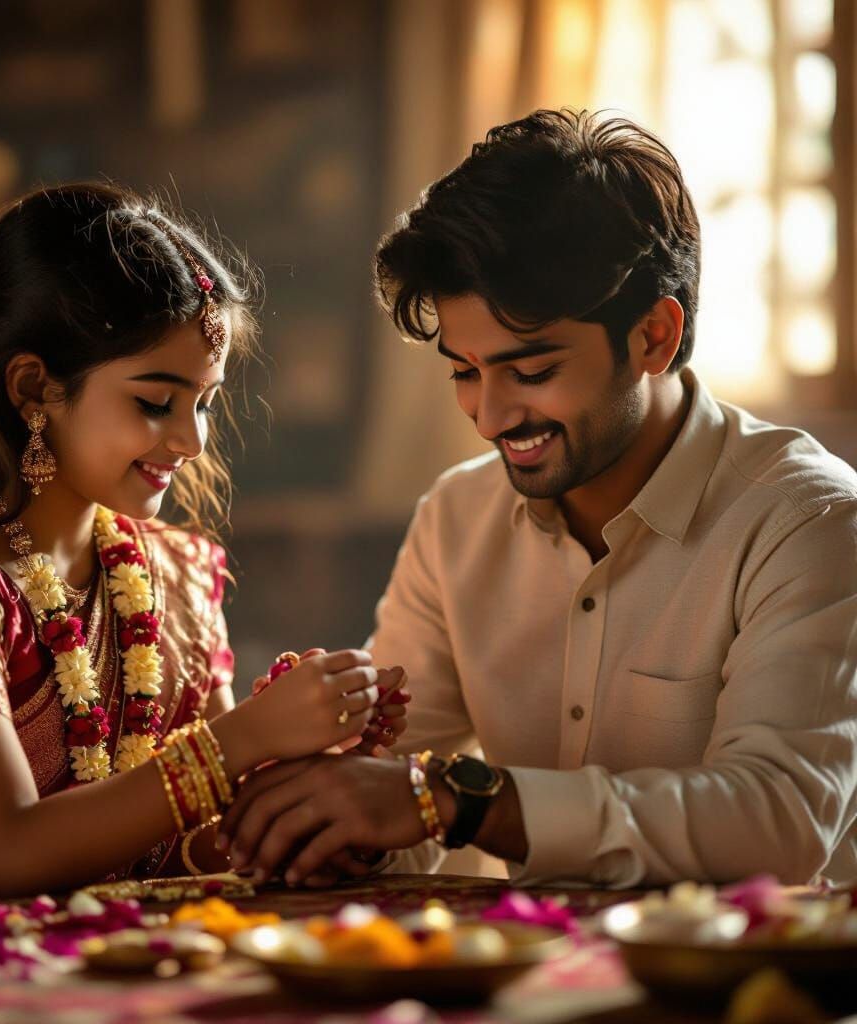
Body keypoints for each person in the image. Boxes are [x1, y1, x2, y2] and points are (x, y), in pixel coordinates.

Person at [218, 109, 857, 889]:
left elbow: (781, 823)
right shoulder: (457, 521)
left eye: (530, 372)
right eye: (463, 371)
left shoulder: (810, 520)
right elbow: (401, 809)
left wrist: (457, 800)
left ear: (654, 337)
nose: (489, 417)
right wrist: (327, 803)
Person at [0, 182, 406, 909]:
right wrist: (242, 740)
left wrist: (305, 804)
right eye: (155, 402)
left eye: (205, 401)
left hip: (122, 974)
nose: (193, 440)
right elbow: (6, 850)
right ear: (33, 388)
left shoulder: (175, 576)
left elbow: (188, 842)